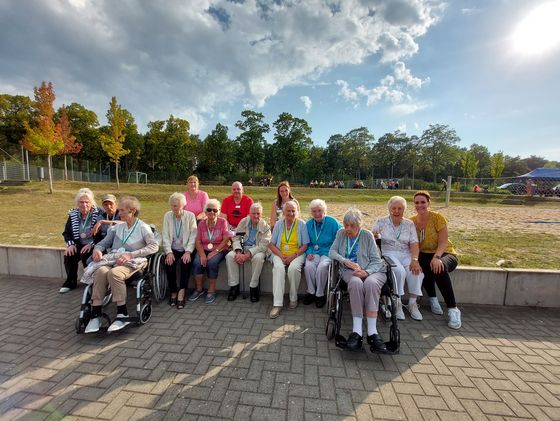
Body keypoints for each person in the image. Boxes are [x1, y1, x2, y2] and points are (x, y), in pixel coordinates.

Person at [84, 196, 159, 333]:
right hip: (114, 259)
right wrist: (97, 250)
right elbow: (103, 243)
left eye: (122, 210)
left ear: (133, 211)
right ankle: (95, 314)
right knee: (100, 272)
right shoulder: (117, 228)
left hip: (133, 262)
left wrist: (131, 254)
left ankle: (122, 313)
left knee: (114, 273)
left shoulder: (143, 227)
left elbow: (154, 246)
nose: (119, 213)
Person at [329, 208, 387, 352]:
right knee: (355, 282)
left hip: (372, 271)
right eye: (346, 224)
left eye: (352, 226)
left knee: (371, 283)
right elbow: (332, 251)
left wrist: (366, 272)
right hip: (350, 271)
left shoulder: (367, 235)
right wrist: (346, 261)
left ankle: (373, 333)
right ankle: (357, 332)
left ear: (359, 225)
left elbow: (376, 261)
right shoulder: (341, 233)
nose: (348, 228)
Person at [410, 191, 461, 329]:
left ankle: (453, 309)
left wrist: (437, 257)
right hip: (424, 253)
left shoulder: (437, 218)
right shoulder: (412, 221)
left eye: (423, 202)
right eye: (417, 203)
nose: (420, 205)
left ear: (428, 203)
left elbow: (443, 242)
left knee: (439, 267)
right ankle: (432, 299)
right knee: (421, 265)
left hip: (444, 253)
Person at [373, 196, 424, 321]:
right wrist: (375, 235)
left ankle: (412, 304)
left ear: (404, 210)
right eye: (394, 208)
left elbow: (414, 243)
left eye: (400, 208)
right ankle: (398, 302)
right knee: (399, 271)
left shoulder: (409, 224)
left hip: (406, 253)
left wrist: (415, 260)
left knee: (416, 271)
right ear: (389, 209)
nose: (396, 211)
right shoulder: (380, 222)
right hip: (388, 253)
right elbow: (373, 239)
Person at [268, 201, 309, 319]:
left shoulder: (302, 224)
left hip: (297, 254)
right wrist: (281, 256)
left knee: (293, 268)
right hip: (280, 253)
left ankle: (293, 298)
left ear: (296, 212)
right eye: (288, 211)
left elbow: (305, 245)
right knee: (278, 268)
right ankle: (277, 304)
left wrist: (293, 256)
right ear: (284, 212)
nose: (291, 213)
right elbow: (272, 245)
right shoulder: (278, 224)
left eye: (293, 211)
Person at [225, 202, 271, 302]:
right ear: (249, 213)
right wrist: (237, 251)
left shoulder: (265, 226)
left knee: (258, 258)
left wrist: (248, 254)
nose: (256, 216)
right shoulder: (243, 222)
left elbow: (264, 245)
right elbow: (236, 237)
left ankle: (254, 287)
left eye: (258, 213)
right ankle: (234, 286)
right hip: (242, 248)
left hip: (257, 250)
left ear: (261, 214)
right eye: (253, 213)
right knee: (229, 256)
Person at [59, 188, 101, 294]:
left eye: (87, 202)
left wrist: (92, 244)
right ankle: (70, 282)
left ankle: (90, 282)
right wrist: (70, 244)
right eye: (81, 202)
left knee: (85, 254)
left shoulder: (99, 213)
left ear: (91, 203)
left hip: (94, 244)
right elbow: (67, 232)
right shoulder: (73, 214)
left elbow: (102, 234)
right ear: (77, 203)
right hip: (78, 243)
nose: (84, 205)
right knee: (69, 255)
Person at [190, 199, 231, 304]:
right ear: (205, 211)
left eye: (214, 210)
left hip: (219, 249)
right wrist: (202, 255)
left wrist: (215, 251)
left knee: (212, 263)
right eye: (209, 210)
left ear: (218, 211)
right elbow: (198, 241)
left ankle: (211, 290)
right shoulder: (201, 224)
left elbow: (226, 238)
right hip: (204, 249)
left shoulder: (223, 222)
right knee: (197, 263)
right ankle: (199, 289)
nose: (212, 212)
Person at [303, 199, 341, 308]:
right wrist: (308, 252)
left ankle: (320, 294)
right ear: (311, 213)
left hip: (328, 252)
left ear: (324, 211)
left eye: (319, 210)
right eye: (314, 211)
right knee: (309, 266)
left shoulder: (332, 222)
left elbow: (341, 234)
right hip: (313, 251)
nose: (317, 214)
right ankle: (311, 292)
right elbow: (306, 242)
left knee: (322, 267)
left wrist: (335, 249)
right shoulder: (309, 224)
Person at [162, 192, 197, 309]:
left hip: (187, 248)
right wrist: (168, 252)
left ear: (183, 206)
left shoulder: (190, 216)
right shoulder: (168, 215)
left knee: (185, 263)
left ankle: (182, 291)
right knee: (169, 263)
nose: (173, 208)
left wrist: (188, 251)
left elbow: (193, 235)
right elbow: (165, 236)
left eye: (176, 206)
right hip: (173, 248)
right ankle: (173, 291)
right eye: (172, 205)